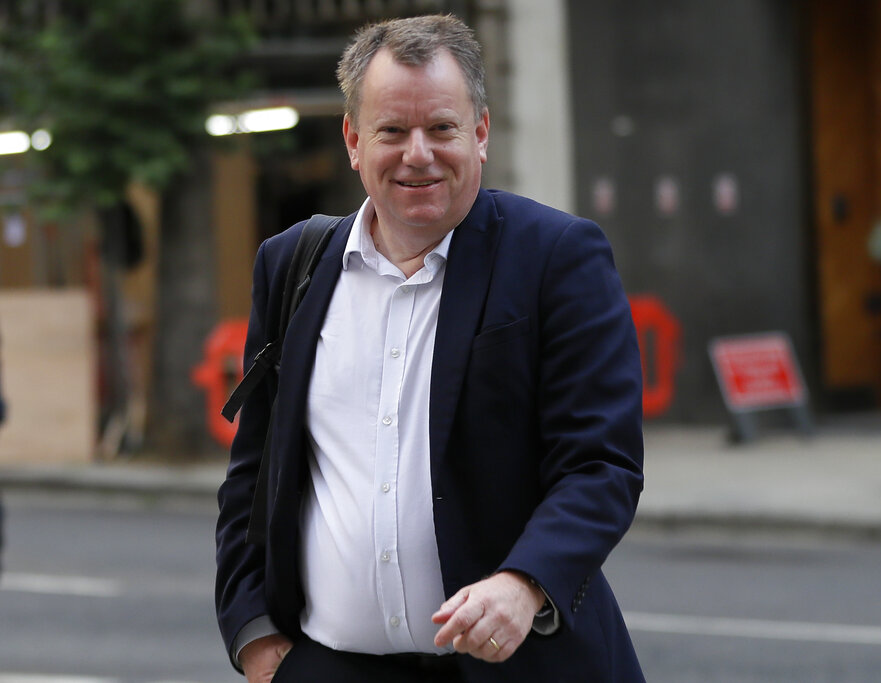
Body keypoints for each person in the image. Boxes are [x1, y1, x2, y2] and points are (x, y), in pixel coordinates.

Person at [215, 14, 645, 683]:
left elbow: (601, 463)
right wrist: (255, 636)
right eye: (392, 131)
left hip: (521, 667)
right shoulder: (291, 265)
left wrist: (524, 581)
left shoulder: (557, 258)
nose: (419, 153)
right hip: (330, 667)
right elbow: (256, 474)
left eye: (441, 128)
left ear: (479, 133)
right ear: (355, 141)